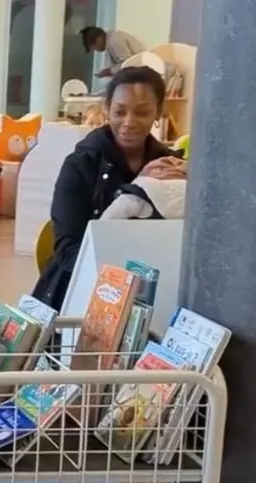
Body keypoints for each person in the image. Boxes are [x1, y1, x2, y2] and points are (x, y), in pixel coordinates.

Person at [32, 66, 185, 310]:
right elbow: (67, 249)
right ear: (106, 109)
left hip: (154, 291)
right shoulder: (81, 164)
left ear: (159, 112)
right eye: (119, 112)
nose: (129, 123)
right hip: (83, 289)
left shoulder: (169, 165)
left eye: (142, 112)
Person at [81, 26, 146, 78]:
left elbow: (128, 64)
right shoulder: (113, 38)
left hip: (143, 73)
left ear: (98, 39)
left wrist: (109, 71)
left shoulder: (115, 41)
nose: (96, 51)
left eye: (94, 48)